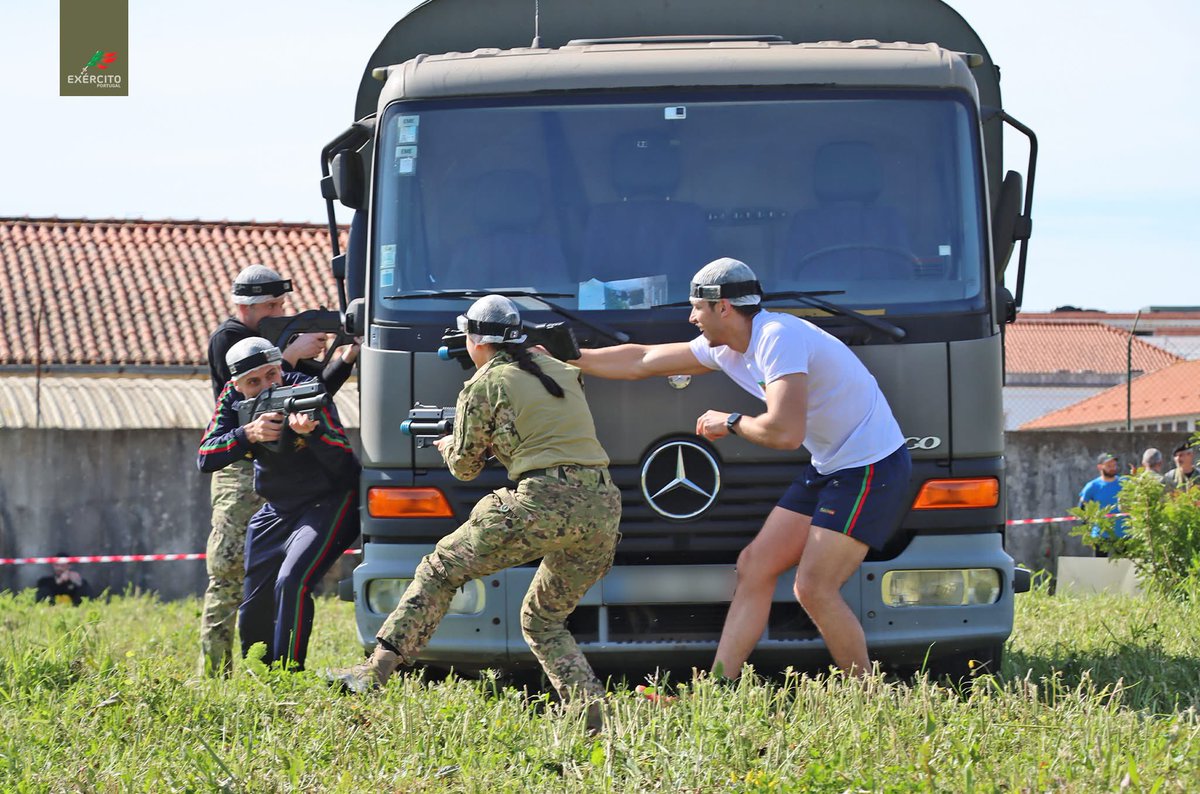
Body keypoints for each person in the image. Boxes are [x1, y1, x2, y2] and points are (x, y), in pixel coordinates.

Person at [573, 257, 911, 680]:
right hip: (832, 466)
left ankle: (868, 697)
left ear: (724, 308)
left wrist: (729, 422)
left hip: (869, 467)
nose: (691, 316)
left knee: (814, 588)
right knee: (755, 565)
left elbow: (785, 433)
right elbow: (642, 359)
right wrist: (569, 358)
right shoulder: (728, 347)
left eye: (697, 307)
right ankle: (718, 685)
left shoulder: (776, 337)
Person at [328, 295, 620, 730]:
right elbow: (546, 428)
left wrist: (449, 441)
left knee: (440, 570)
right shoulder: (563, 371)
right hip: (602, 507)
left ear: (474, 340)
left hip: (543, 502)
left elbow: (465, 468)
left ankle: (376, 671)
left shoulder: (483, 384)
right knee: (542, 619)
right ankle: (592, 716)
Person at [199, 264, 334, 676]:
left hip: (279, 472)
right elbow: (243, 395)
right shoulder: (230, 339)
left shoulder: (272, 345)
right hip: (241, 469)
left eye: (281, 304)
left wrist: (341, 355)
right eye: (271, 305)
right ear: (246, 305)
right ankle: (215, 673)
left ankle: (268, 666)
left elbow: (310, 389)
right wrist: (289, 352)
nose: (278, 311)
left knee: (272, 577)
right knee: (227, 572)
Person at [198, 337, 361, 672]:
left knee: (291, 581)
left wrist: (312, 434)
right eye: (253, 382)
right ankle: (262, 672)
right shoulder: (232, 399)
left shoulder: (306, 390)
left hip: (330, 502)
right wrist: (248, 434)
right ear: (237, 385)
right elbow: (206, 456)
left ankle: (288, 674)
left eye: (272, 375)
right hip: (277, 508)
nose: (266, 385)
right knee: (255, 600)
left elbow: (345, 463)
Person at [1078, 451, 1128, 557]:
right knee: (1099, 568)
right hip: (1101, 535)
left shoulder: (1124, 483)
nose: (1113, 468)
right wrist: (1088, 531)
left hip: (1122, 534)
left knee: (1124, 568)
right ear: (1100, 467)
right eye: (1109, 465)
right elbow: (1082, 509)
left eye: (1114, 465)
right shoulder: (1092, 486)